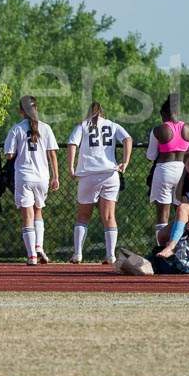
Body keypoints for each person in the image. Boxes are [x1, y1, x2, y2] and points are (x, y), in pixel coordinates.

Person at [66, 101, 132, 265]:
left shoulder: (82, 125)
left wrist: (71, 167)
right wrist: (125, 162)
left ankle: (78, 254)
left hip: (88, 174)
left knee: (83, 216)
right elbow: (128, 139)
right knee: (109, 216)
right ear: (103, 113)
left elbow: (72, 144)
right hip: (110, 174)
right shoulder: (112, 125)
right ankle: (110, 255)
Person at [4, 95, 60, 265]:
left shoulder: (17, 129)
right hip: (42, 176)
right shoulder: (46, 128)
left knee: (27, 215)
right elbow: (52, 154)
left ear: (21, 111)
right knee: (38, 212)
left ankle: (32, 256)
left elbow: (9, 155)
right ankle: (38, 246)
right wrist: (56, 176)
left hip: (25, 175)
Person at [146, 94, 189, 245]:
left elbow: (151, 156)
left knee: (163, 213)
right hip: (183, 171)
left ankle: (161, 249)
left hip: (163, 171)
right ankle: (180, 247)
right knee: (182, 212)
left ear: (164, 114)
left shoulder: (159, 129)